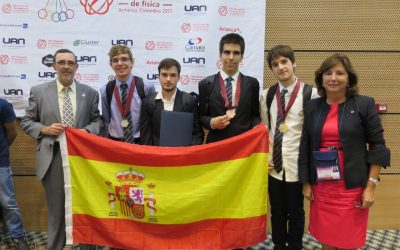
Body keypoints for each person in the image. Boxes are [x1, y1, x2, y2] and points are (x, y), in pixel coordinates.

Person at [298, 54, 390, 249]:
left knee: (348, 238)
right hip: (322, 183)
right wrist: (306, 183)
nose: (333, 78)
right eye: (328, 73)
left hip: (352, 184)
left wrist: (371, 186)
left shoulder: (363, 104)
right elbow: (305, 146)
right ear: (321, 78)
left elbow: (378, 146)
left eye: (340, 73)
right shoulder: (313, 106)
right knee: (326, 237)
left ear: (349, 79)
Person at [20, 49, 102, 250]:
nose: (66, 66)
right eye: (62, 62)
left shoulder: (89, 93)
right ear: (54, 65)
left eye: (70, 63)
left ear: (76, 66)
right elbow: (26, 121)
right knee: (57, 212)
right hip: (53, 158)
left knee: (85, 209)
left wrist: (85, 131)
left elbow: (98, 121)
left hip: (82, 161)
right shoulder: (39, 91)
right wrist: (44, 129)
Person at [260, 45, 319, 250]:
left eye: (284, 62)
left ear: (293, 63)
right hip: (273, 164)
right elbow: (266, 128)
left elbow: (315, 133)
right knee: (276, 210)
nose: (280, 67)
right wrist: (266, 156)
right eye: (275, 64)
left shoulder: (311, 93)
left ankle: (295, 245)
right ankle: (278, 244)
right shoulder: (267, 95)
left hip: (297, 163)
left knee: (296, 210)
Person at [198, 33, 260, 143]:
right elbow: (201, 117)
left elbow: (255, 115)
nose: (231, 57)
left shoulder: (252, 84)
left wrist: (256, 128)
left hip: (244, 147)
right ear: (220, 55)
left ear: (241, 56)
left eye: (236, 53)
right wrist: (212, 122)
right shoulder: (205, 84)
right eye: (227, 52)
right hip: (217, 148)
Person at [140, 58, 203, 146]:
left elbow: (197, 134)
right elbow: (145, 137)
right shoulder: (148, 103)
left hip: (182, 156)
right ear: (158, 77)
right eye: (164, 75)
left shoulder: (190, 101)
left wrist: (187, 153)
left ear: (178, 77)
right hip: (156, 156)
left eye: (173, 75)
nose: (168, 79)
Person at [101, 45, 155, 144]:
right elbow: (106, 120)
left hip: (140, 142)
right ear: (111, 64)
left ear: (132, 62)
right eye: (115, 60)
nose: (120, 63)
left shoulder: (146, 87)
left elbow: (152, 118)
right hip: (115, 142)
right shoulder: (105, 90)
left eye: (124, 59)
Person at [0, 98, 29, 249]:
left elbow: (11, 133)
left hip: (1, 164)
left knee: (8, 204)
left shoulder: (3, 105)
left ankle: (19, 238)